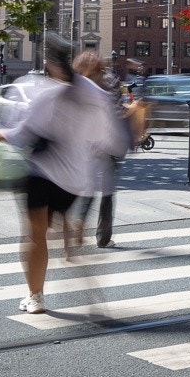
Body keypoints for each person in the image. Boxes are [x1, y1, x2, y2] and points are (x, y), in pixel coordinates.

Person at [0, 35, 117, 315]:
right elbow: (105, 140)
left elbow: (22, 135)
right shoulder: (98, 96)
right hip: (74, 181)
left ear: (51, 64)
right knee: (53, 225)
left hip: (42, 172)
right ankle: (69, 246)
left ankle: (36, 297)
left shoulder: (46, 93)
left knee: (35, 236)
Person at [72, 51, 132, 249]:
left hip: (86, 141)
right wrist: (132, 110)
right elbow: (117, 111)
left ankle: (79, 221)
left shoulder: (78, 83)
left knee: (88, 186)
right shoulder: (110, 80)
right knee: (107, 190)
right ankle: (103, 236)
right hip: (108, 140)